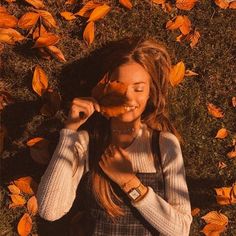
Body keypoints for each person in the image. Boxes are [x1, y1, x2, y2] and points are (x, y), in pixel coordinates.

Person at [36, 37, 193, 236]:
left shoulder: (163, 145)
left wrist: (129, 182)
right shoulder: (87, 143)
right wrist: (69, 132)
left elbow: (181, 230)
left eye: (138, 88)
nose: (128, 97)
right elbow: (49, 211)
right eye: (119, 86)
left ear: (150, 93)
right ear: (103, 89)